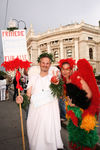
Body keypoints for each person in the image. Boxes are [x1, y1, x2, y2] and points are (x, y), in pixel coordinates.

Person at [16, 53, 64, 150]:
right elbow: (28, 95)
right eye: (43, 63)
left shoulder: (54, 77)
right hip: (36, 113)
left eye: (47, 63)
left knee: (49, 138)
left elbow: (59, 94)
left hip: (50, 113)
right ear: (39, 63)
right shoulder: (33, 78)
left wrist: (57, 84)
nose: (45, 65)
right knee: (37, 140)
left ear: (50, 64)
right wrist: (21, 99)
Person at [58, 58, 100, 150]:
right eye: (63, 69)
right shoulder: (65, 80)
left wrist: (75, 104)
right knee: (76, 139)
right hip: (74, 114)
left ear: (71, 69)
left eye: (67, 69)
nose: (65, 71)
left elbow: (89, 94)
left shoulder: (77, 77)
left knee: (85, 140)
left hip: (84, 113)